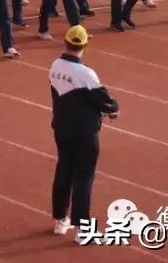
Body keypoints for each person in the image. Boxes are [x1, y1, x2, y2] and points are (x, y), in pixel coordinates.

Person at [49, 25, 119, 236]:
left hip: (62, 128)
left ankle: (60, 220)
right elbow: (106, 102)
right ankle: (83, 229)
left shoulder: (55, 66)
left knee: (64, 171)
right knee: (84, 176)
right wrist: (113, 110)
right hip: (85, 133)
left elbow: (74, 98)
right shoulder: (86, 73)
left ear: (66, 42)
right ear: (85, 44)